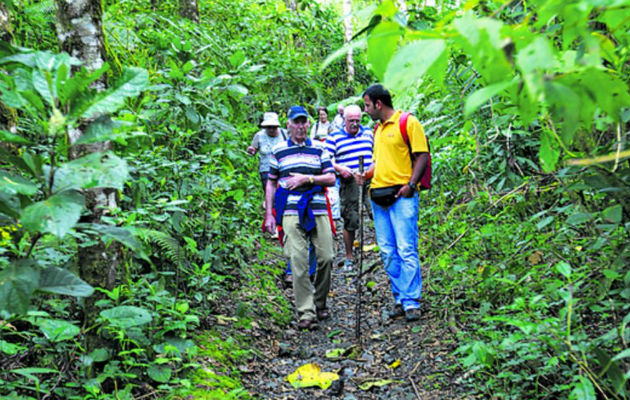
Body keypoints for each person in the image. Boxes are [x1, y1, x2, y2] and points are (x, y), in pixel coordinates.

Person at [359, 84, 429, 322]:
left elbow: (422, 154)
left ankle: (411, 301)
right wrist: (365, 175)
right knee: (388, 251)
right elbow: (379, 163)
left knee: (406, 248)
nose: (365, 110)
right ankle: (400, 297)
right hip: (379, 197)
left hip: (402, 196)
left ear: (378, 103)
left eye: (367, 105)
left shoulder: (408, 122)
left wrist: (411, 184)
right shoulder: (377, 130)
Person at [265, 105, 336, 330]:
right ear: (289, 124)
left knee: (326, 256)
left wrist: (308, 179)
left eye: (304, 122)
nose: (300, 126)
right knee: (298, 260)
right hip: (290, 210)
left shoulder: (319, 149)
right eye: (296, 122)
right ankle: (306, 311)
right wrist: (269, 214)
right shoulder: (278, 151)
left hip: (317, 207)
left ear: (308, 124)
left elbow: (331, 178)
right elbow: (271, 181)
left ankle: (320, 302)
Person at [325, 104, 373, 272]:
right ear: (343, 120)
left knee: (377, 213)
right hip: (349, 181)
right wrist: (340, 168)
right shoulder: (334, 137)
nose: (354, 124)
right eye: (351, 121)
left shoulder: (368, 133)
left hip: (370, 178)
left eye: (357, 121)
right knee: (351, 218)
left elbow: (378, 153)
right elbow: (326, 159)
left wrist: (369, 171)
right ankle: (349, 256)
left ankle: (382, 251)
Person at [247, 112, 287, 194]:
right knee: (270, 195)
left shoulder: (285, 134)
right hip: (266, 170)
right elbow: (253, 150)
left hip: (283, 170)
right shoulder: (259, 135)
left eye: (274, 127)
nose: (272, 130)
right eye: (269, 127)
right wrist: (251, 151)